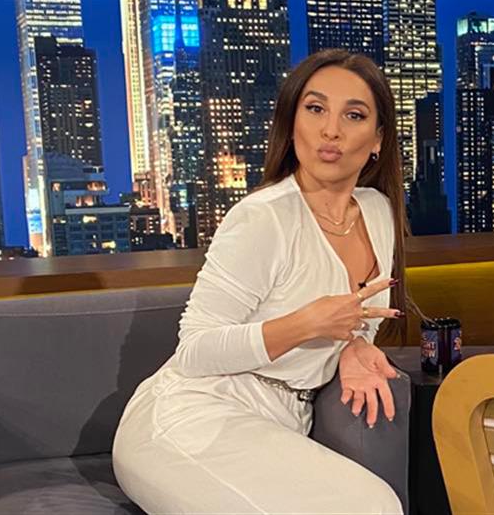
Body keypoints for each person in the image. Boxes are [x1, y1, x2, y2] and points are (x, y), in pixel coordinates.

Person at [113, 50, 408, 514]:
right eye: (315, 109)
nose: (331, 130)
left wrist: (353, 347)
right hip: (190, 419)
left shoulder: (377, 211)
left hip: (281, 420)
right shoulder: (262, 218)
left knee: (376, 503)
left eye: (354, 115)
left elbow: (359, 319)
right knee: (371, 507)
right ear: (292, 125)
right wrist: (305, 324)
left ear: (378, 139)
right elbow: (194, 350)